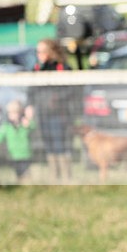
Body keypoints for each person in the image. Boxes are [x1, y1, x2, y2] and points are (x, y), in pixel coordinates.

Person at [32, 38, 76, 182]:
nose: (39, 54)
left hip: (59, 114)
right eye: (37, 51)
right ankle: (54, 176)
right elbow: (31, 91)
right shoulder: (37, 69)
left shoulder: (62, 68)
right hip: (43, 114)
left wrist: (56, 99)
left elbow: (71, 90)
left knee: (60, 144)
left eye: (42, 51)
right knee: (49, 145)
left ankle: (66, 177)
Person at [0, 100, 36, 183]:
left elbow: (33, 127)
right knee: (18, 173)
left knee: (26, 173)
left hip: (25, 153)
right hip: (13, 154)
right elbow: (0, 134)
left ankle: (27, 185)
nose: (13, 116)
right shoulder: (6, 126)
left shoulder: (24, 124)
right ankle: (20, 185)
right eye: (10, 113)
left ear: (20, 113)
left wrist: (29, 122)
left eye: (15, 113)